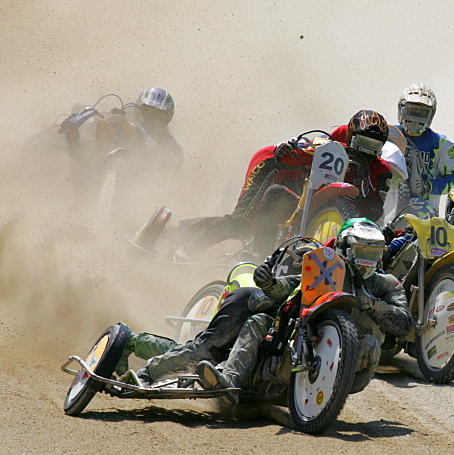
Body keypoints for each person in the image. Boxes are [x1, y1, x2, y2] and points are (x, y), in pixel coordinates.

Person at [197, 218, 414, 405]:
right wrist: (271, 284)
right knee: (258, 320)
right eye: (362, 252)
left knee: (370, 344)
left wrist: (373, 305)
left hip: (351, 366)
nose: (368, 261)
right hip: (297, 348)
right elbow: (295, 285)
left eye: (374, 253)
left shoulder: (387, 284)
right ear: (345, 249)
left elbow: (405, 325)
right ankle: (230, 381)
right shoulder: (326, 271)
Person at [178, 110, 395, 256]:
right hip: (271, 167)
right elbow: (297, 151)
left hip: (319, 209)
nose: (366, 149)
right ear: (351, 135)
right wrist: (289, 149)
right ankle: (185, 242)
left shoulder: (380, 169)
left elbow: (375, 210)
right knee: (243, 221)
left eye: (373, 145)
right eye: (363, 142)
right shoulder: (328, 145)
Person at [115, 240, 320, 387]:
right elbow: (272, 294)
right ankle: (145, 372)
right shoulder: (289, 286)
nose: (311, 269)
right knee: (203, 353)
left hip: (260, 335)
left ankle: (135, 343)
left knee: (196, 354)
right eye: (304, 263)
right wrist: (269, 284)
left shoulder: (315, 300)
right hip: (241, 306)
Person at [385, 177, 454, 318]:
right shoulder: (429, 224)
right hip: (403, 287)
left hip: (453, 299)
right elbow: (391, 250)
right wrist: (388, 242)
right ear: (451, 207)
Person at [57, 87, 183, 189]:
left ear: (167, 117)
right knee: (71, 139)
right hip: (93, 169)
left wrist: (140, 135)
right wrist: (85, 118)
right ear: (139, 109)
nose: (151, 117)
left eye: (157, 115)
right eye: (147, 111)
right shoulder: (122, 121)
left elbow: (170, 165)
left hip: (136, 185)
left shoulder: (170, 145)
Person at [395, 84, 454, 211]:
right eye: (411, 111)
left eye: (422, 113)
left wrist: (429, 185)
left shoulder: (443, 145)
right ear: (401, 109)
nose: (415, 120)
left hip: (425, 216)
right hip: (384, 211)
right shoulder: (388, 135)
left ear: (431, 115)